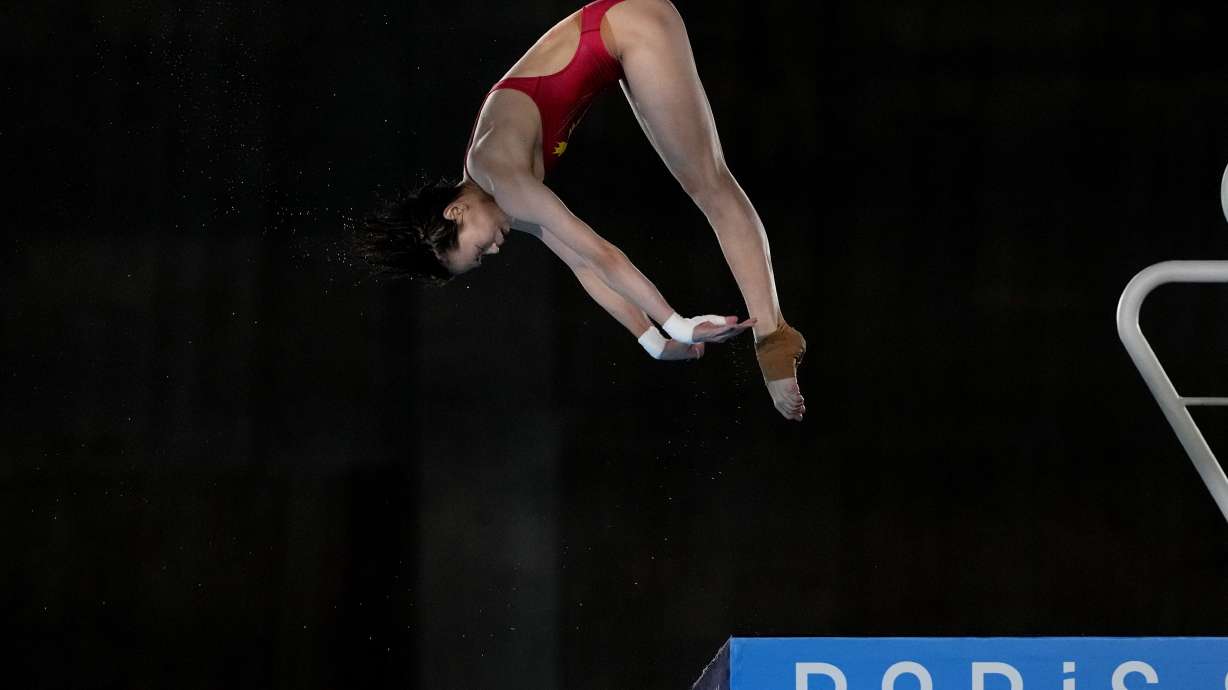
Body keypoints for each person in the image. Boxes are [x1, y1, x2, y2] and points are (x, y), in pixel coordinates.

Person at [355, 0, 807, 421]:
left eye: (477, 250)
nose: (492, 252)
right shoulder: (497, 194)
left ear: (456, 211)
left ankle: (773, 339)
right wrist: (653, 341)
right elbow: (585, 266)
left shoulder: (500, 176)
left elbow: (601, 253)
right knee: (703, 184)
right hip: (619, 41)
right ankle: (771, 338)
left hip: (630, 28)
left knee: (709, 184)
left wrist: (680, 326)